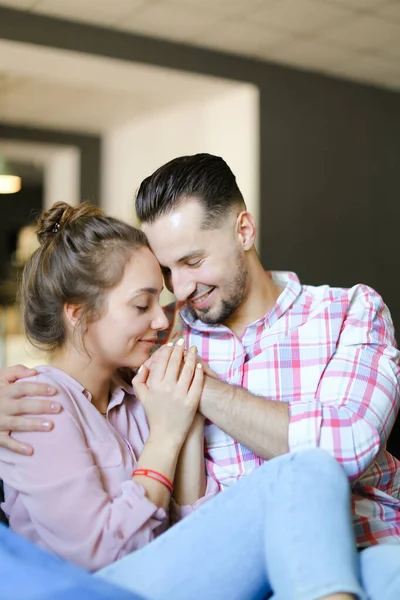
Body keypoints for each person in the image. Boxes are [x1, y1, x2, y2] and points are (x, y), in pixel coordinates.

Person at [0, 201, 368, 600]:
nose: (162, 320)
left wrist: (187, 418)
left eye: (160, 300)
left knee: (383, 569)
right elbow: (100, 556)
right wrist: (166, 437)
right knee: (306, 469)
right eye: (142, 305)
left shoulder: (140, 394)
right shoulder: (35, 401)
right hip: (92, 590)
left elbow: (194, 527)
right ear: (79, 314)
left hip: (170, 582)